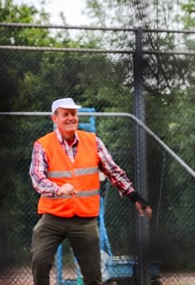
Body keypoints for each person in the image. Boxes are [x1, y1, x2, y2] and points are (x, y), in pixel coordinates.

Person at [29, 97, 152, 285]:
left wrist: (134, 196)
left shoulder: (93, 142)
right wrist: (57, 189)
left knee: (94, 275)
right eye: (65, 114)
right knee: (40, 259)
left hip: (84, 220)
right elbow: (37, 177)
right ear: (54, 118)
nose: (71, 118)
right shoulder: (43, 145)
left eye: (73, 114)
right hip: (53, 217)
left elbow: (113, 171)